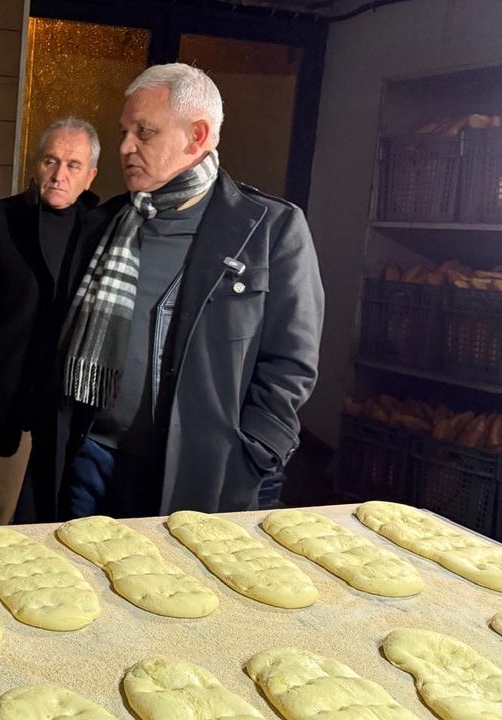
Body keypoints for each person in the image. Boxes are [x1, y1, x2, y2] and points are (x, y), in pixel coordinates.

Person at [62, 63, 324, 517]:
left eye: (144, 132)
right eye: (124, 132)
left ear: (197, 136)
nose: (125, 147)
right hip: (89, 456)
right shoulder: (103, 223)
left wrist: (254, 453)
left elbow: (292, 363)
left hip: (199, 471)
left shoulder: (270, 229)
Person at [0, 117, 105, 525]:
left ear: (90, 175)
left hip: (67, 408)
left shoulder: (102, 230)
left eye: (73, 165)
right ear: (36, 164)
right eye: (51, 161)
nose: (59, 174)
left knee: (53, 521)